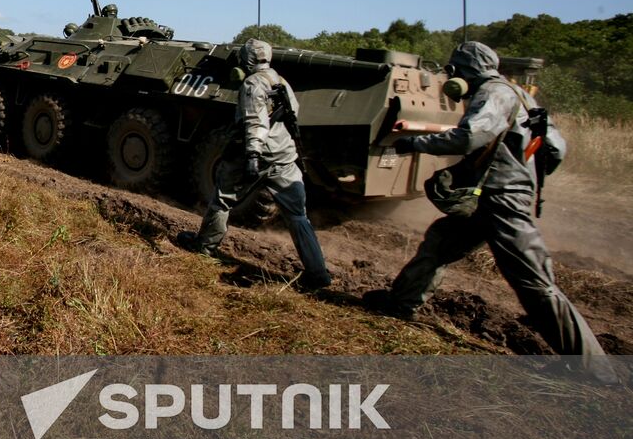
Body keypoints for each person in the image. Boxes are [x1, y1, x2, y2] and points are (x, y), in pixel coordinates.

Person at [366, 41, 610, 374]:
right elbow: (556, 149)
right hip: (494, 194)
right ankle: (400, 304)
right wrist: (525, 173)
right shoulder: (521, 94)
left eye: (454, 71)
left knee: (534, 282)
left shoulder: (494, 94)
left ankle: (594, 368)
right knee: (439, 243)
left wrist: (414, 143)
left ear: (463, 72)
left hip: (501, 198)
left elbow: (468, 138)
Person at [177, 38, 332, 289]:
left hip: (255, 155)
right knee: (297, 215)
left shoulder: (252, 84)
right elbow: (293, 113)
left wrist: (252, 155)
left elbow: (255, 122)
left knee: (223, 200)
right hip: (284, 156)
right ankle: (318, 272)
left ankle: (204, 247)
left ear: (246, 60)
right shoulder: (281, 82)